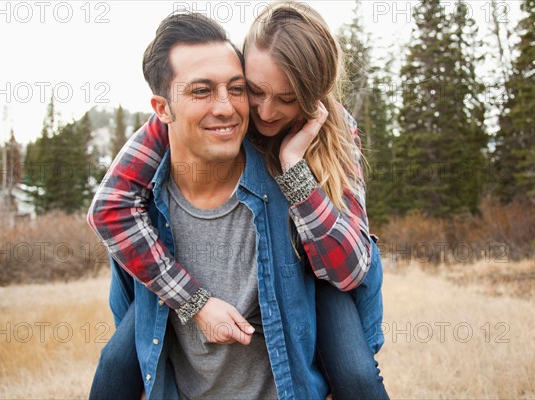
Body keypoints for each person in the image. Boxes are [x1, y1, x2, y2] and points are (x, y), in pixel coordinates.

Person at [88, 4, 387, 400]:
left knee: (357, 376)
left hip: (318, 263)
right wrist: (192, 302)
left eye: (287, 98)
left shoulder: (334, 129)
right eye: (256, 90)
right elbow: (110, 207)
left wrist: (295, 168)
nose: (264, 112)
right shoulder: (190, 113)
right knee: (114, 367)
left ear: (314, 96)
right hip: (188, 279)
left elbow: (352, 270)